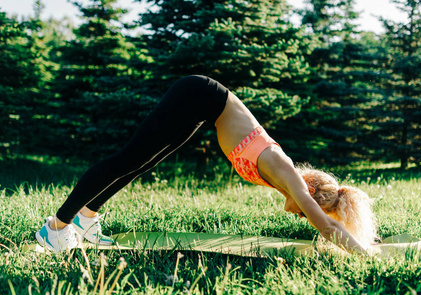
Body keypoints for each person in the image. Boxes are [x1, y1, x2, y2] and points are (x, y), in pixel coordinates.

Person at [36, 75, 377, 254]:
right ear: (311, 189)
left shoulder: (284, 180)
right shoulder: (290, 176)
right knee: (127, 158)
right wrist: (365, 256)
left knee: (141, 164)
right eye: (305, 211)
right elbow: (328, 229)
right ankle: (56, 228)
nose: (299, 214)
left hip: (205, 108)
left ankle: (86, 219)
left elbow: (328, 225)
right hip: (199, 94)